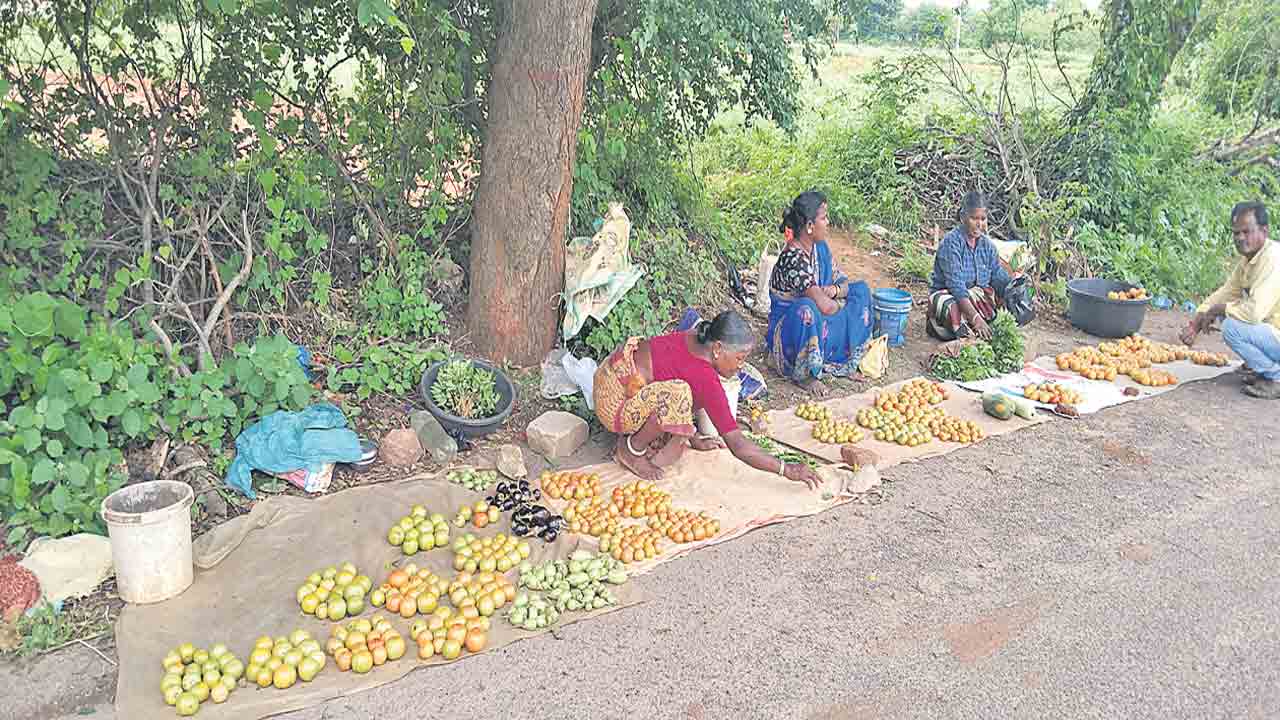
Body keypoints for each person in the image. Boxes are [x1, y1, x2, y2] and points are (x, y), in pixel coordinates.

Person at [593, 310, 821, 488]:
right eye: (740, 358)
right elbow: (738, 446)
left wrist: (691, 436)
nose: (741, 366)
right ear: (718, 349)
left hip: (614, 376)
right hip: (614, 401)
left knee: (679, 393)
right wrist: (786, 469)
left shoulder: (696, 337)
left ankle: (652, 438)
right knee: (678, 393)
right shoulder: (705, 377)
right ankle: (631, 450)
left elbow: (673, 374)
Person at [766, 191, 873, 395]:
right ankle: (806, 374)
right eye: (823, 218)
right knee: (807, 309)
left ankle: (842, 358)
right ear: (809, 226)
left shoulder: (819, 248)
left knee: (861, 290)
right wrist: (837, 300)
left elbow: (842, 280)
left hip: (820, 319)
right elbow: (825, 306)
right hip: (793, 332)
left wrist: (834, 289)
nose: (828, 222)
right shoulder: (792, 258)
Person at [1180, 201, 1280, 399]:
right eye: (1236, 233)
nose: (1240, 238)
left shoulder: (1273, 259)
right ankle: (1265, 369)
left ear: (1264, 230)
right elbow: (1226, 292)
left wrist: (1218, 309)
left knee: (1231, 326)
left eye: (1246, 231)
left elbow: (1253, 313)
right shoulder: (1249, 260)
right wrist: (1197, 322)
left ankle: (1275, 378)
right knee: (1228, 314)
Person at [927, 191, 1013, 341]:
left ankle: (965, 327)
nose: (979, 224)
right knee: (953, 306)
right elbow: (957, 287)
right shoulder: (951, 243)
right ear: (963, 217)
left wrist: (1017, 287)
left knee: (1000, 297)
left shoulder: (988, 246)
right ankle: (952, 327)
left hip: (973, 296)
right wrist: (975, 318)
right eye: (974, 218)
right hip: (948, 294)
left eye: (983, 219)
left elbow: (998, 275)